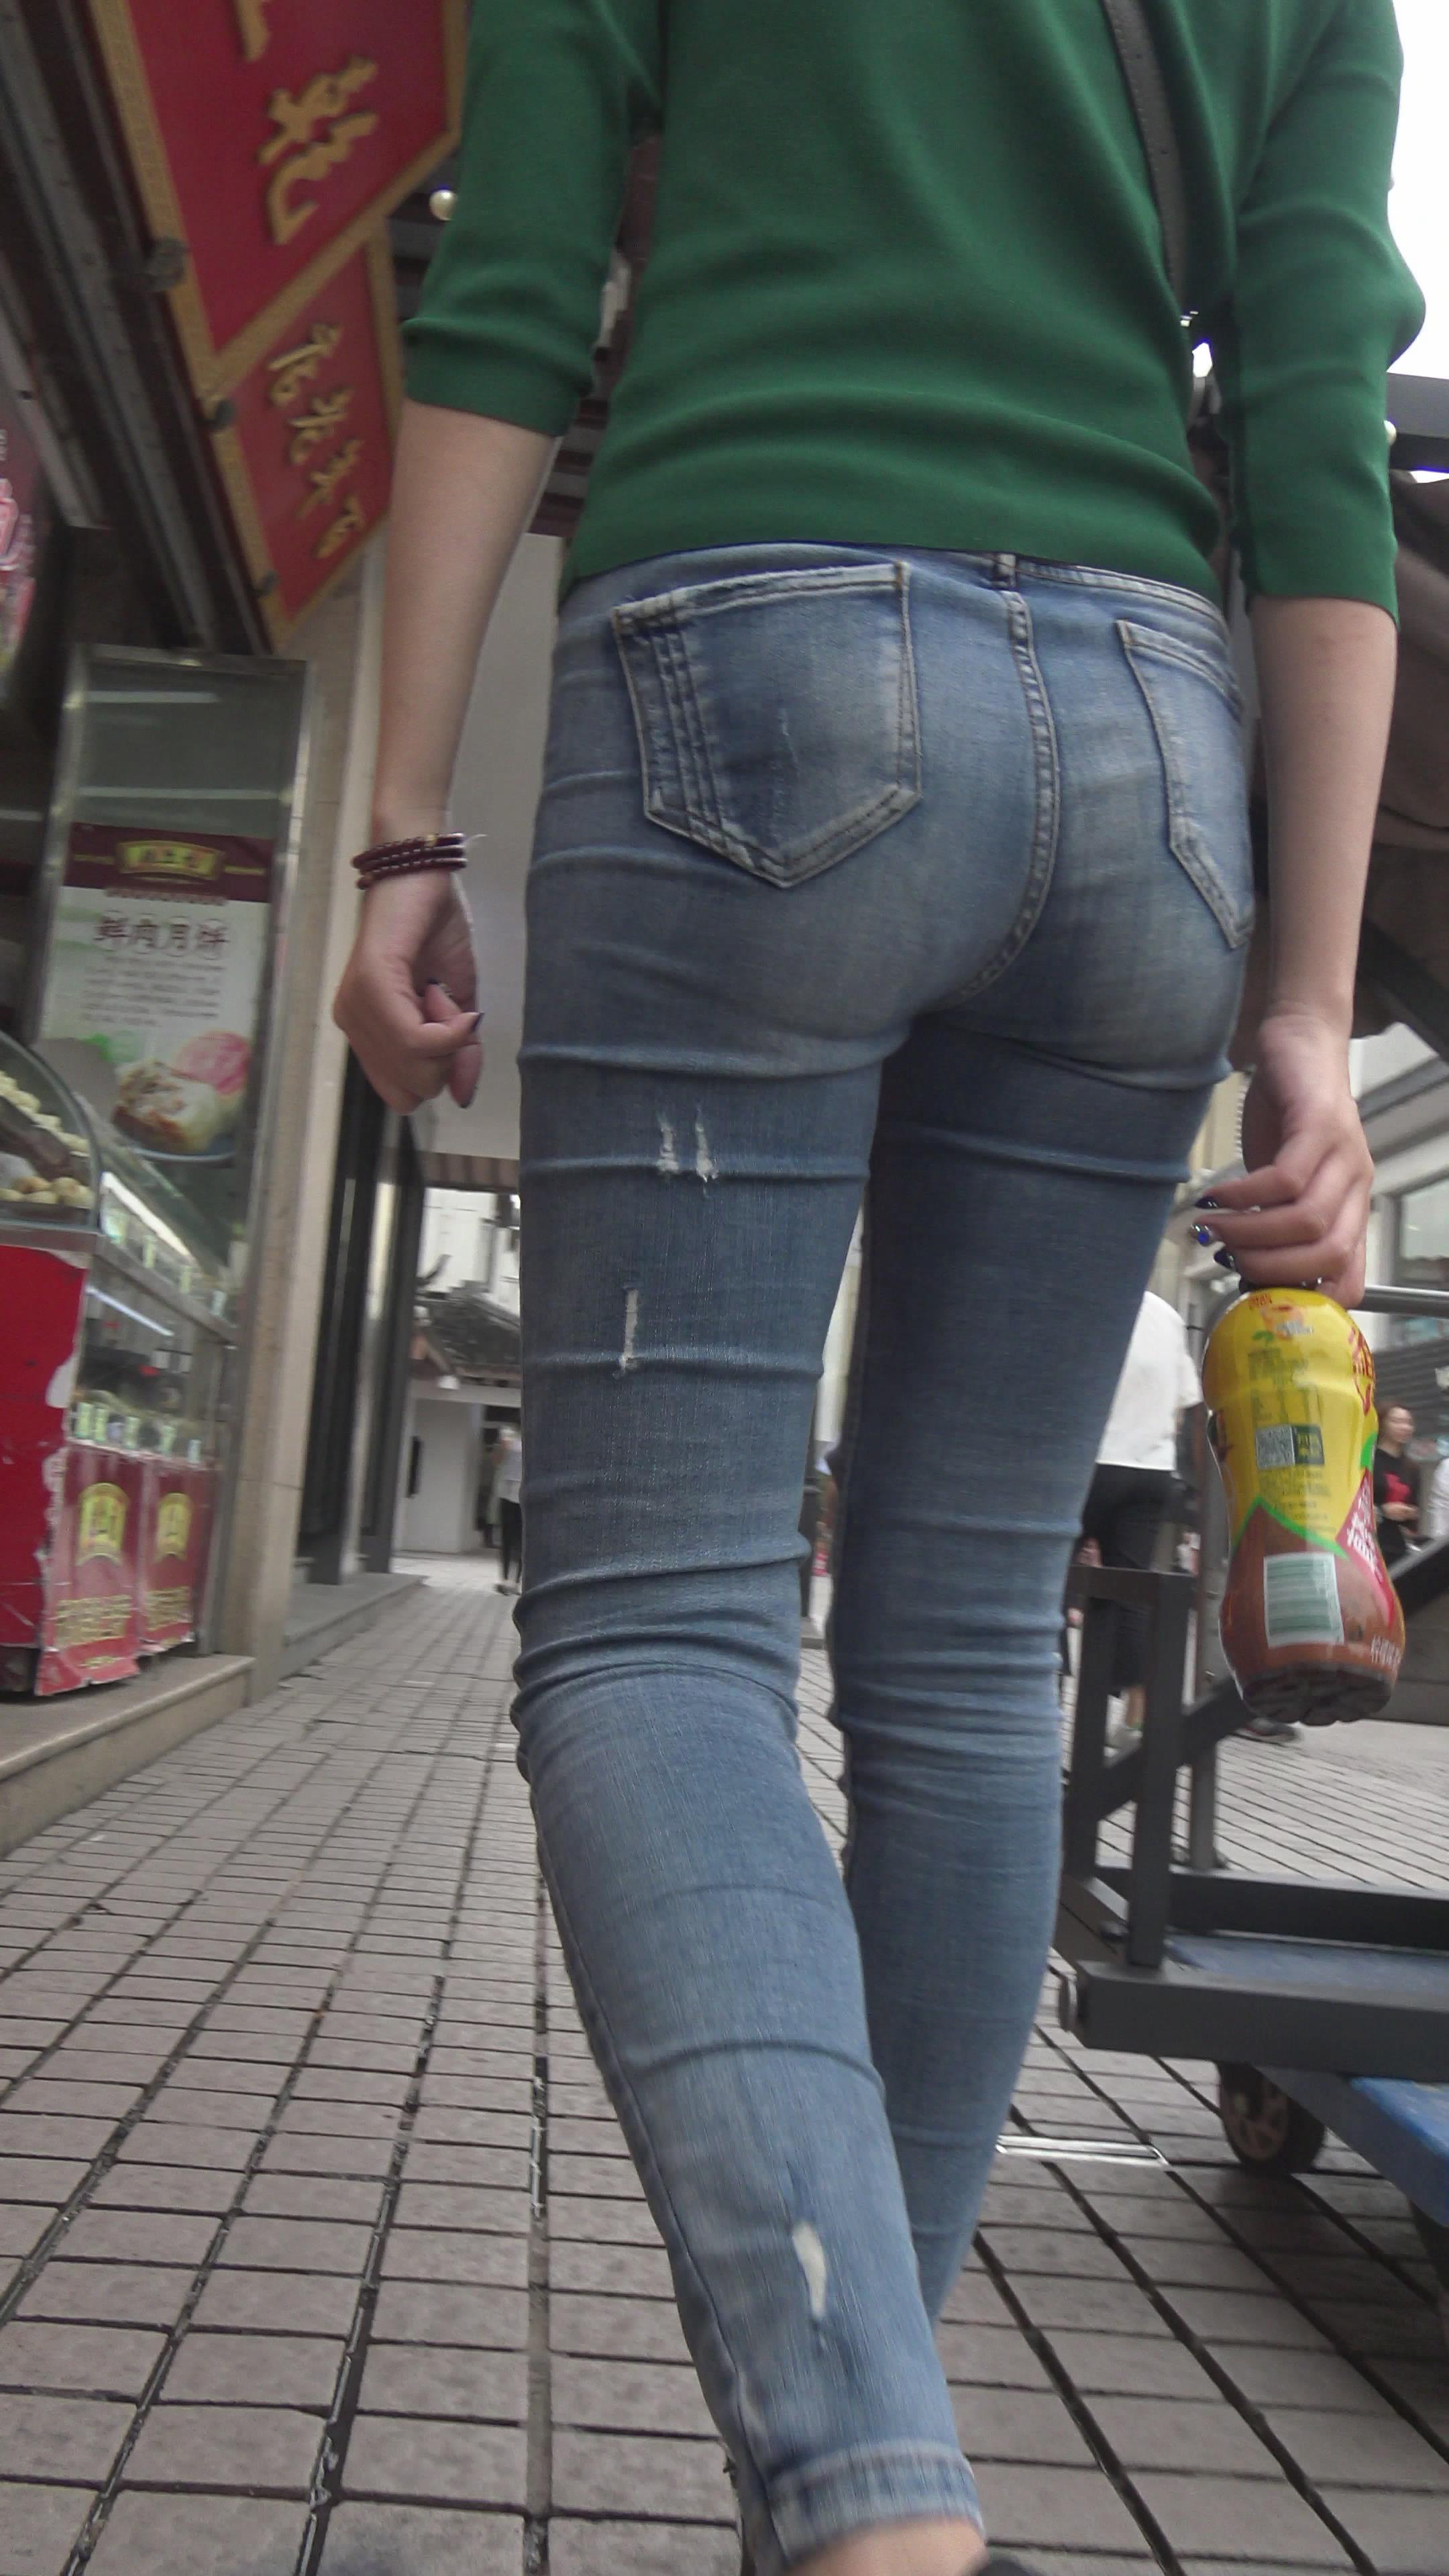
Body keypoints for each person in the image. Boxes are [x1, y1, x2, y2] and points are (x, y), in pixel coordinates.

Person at [333, 8, 1419, 2571]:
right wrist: (1307, 999)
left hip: (753, 661)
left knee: (657, 1627)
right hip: (1153, 763)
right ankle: (868, 2469)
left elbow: (509, 293)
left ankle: (867, 2502)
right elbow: (1312, 442)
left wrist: (400, 825)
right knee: (953, 1653)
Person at [1079, 1289, 1201, 1739]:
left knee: (1048, 1584)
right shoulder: (1166, 1314)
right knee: (1132, 1589)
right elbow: (1187, 1403)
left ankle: (1040, 1711)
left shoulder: (1082, 1301)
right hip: (1150, 1471)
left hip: (1087, 1461)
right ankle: (1135, 1717)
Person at [1373, 1403, 1421, 1567]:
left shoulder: (1412, 1467)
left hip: (1399, 1547)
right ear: (1382, 1423)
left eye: (1409, 1423)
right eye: (1397, 1421)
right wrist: (1383, 1511)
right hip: (1371, 1544)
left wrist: (1410, 1513)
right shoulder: (1368, 1460)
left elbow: (1415, 1510)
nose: (1405, 1427)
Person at [490, 1424, 524, 1591]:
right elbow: (496, 1460)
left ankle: (516, 1582)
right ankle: (504, 1580)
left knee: (522, 1541)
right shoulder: (508, 1435)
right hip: (507, 1495)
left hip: (525, 1497)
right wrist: (501, 1447)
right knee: (506, 1539)